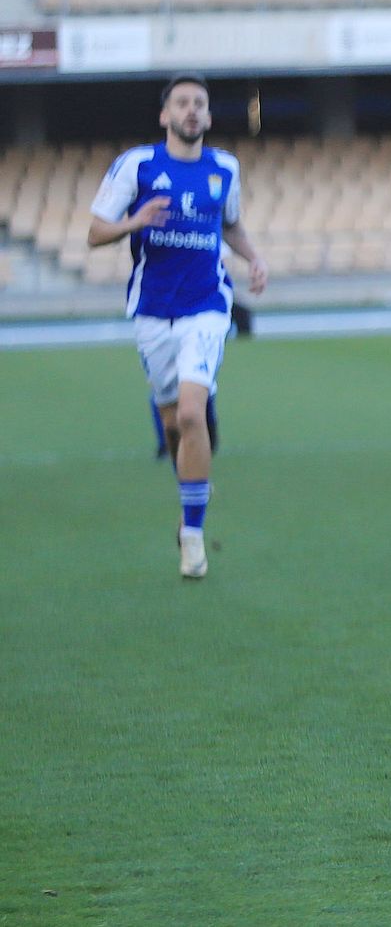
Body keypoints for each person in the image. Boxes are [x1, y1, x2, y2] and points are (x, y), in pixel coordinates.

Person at [88, 73, 269, 579]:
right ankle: (190, 487)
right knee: (172, 425)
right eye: (182, 103)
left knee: (192, 414)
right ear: (165, 115)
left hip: (206, 305)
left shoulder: (225, 168)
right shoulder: (137, 165)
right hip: (152, 310)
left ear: (208, 116)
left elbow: (229, 224)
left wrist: (254, 258)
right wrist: (135, 221)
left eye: (200, 104)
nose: (192, 110)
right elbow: (95, 232)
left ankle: (192, 536)